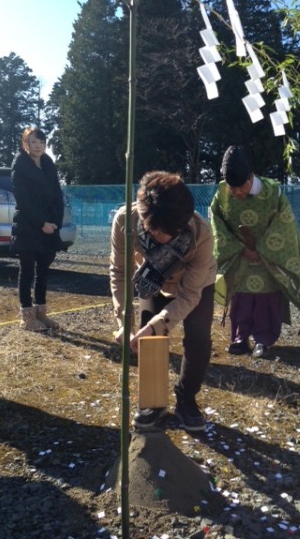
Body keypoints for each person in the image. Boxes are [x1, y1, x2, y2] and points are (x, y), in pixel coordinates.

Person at [109, 171, 217, 431]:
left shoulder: (201, 232)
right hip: (151, 279)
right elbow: (120, 272)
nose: (164, 237)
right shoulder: (125, 221)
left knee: (198, 338)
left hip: (196, 283)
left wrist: (161, 322)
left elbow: (190, 295)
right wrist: (124, 320)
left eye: (172, 232)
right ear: (144, 218)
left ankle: (186, 398)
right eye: (156, 231)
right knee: (150, 339)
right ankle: (154, 404)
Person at [210, 145, 300, 357]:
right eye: (232, 188)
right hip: (239, 256)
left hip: (268, 258)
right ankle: (240, 337)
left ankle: (263, 340)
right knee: (241, 299)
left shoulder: (273, 192)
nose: (236, 192)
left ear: (250, 177)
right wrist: (238, 247)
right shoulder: (221, 194)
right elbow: (216, 222)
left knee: (266, 300)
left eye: (240, 187)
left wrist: (263, 249)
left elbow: (285, 223)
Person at [11, 127, 65, 332]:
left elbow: (57, 195)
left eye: (41, 142)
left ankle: (41, 313)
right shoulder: (20, 165)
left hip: (50, 226)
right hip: (28, 225)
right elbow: (23, 200)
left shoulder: (49, 164)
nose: (38, 146)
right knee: (26, 272)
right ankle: (27, 317)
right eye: (34, 142)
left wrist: (55, 223)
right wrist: (42, 223)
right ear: (26, 143)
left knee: (43, 271)